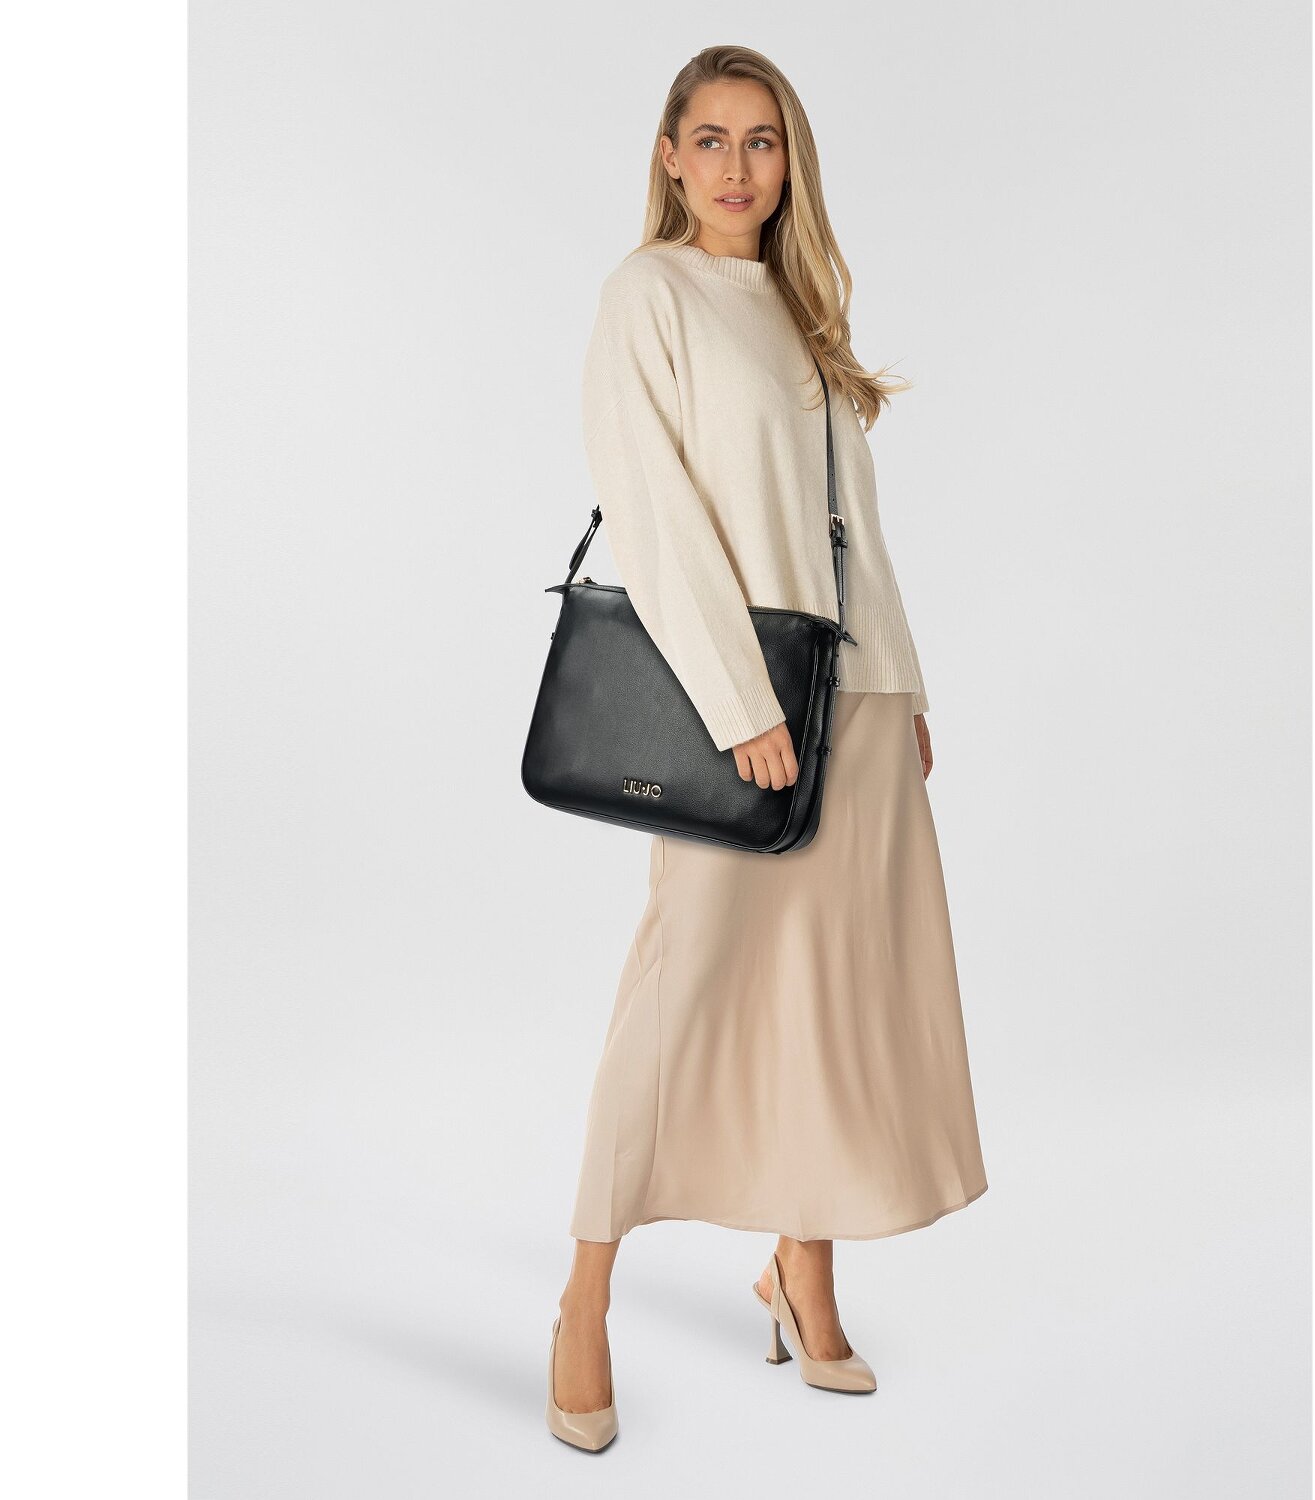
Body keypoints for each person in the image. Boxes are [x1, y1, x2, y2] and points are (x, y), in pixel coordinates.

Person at [545, 44, 988, 1452]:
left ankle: (802, 1269)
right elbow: (650, 505)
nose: (737, 167)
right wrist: (742, 702)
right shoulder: (648, 295)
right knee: (679, 991)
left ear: (790, 161)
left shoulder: (804, 309)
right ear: (669, 155)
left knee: (833, 994)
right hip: (740, 705)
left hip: (855, 700)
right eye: (711, 139)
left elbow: (856, 529)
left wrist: (902, 690)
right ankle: (582, 1301)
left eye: (763, 141)